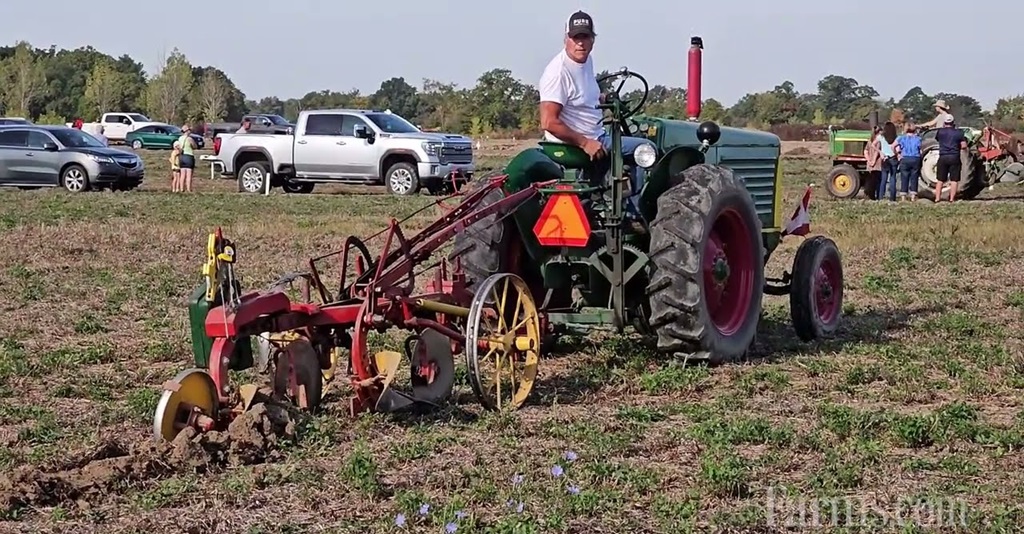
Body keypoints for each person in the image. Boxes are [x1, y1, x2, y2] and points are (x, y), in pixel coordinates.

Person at [538, 10, 654, 220]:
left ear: (593, 39)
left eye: (585, 37)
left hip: (594, 133)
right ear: (566, 39)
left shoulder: (585, 61)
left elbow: (579, 96)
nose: (580, 43)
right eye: (576, 38)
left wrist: (601, 98)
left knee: (624, 145)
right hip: (579, 141)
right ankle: (633, 216)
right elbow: (549, 122)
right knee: (645, 148)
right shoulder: (557, 73)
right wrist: (585, 143)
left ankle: (602, 196)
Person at [934, 115, 968, 202]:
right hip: (954, 157)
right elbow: (964, 146)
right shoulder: (959, 133)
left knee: (940, 179)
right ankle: (952, 199)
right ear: (953, 122)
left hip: (943, 157)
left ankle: (937, 198)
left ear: (944, 123)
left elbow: (938, 140)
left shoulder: (940, 132)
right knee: (954, 179)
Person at [894, 123, 922, 201]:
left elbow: (893, 146)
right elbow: (920, 150)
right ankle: (913, 196)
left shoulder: (901, 138)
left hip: (905, 158)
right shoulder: (918, 139)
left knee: (904, 177)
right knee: (914, 177)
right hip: (915, 158)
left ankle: (903, 196)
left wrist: (898, 154)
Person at [875, 125, 898, 201]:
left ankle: (881, 197)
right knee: (893, 178)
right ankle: (892, 198)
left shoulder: (881, 137)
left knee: (883, 179)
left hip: (884, 158)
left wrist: (880, 152)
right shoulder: (896, 137)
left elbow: (873, 145)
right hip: (893, 158)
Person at [176, 124, 197, 192]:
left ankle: (181, 189)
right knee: (189, 175)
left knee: (182, 175)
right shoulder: (189, 139)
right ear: (187, 131)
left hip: (181, 157)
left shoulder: (180, 138)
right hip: (189, 156)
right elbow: (194, 146)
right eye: (189, 130)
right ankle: (188, 189)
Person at [864, 127, 883, 198]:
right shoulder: (878, 141)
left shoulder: (869, 141)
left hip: (869, 164)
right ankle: (876, 196)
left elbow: (865, 151)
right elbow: (876, 152)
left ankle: (869, 194)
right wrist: (873, 161)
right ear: (879, 132)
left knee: (870, 179)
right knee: (877, 181)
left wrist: (868, 160)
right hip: (877, 164)